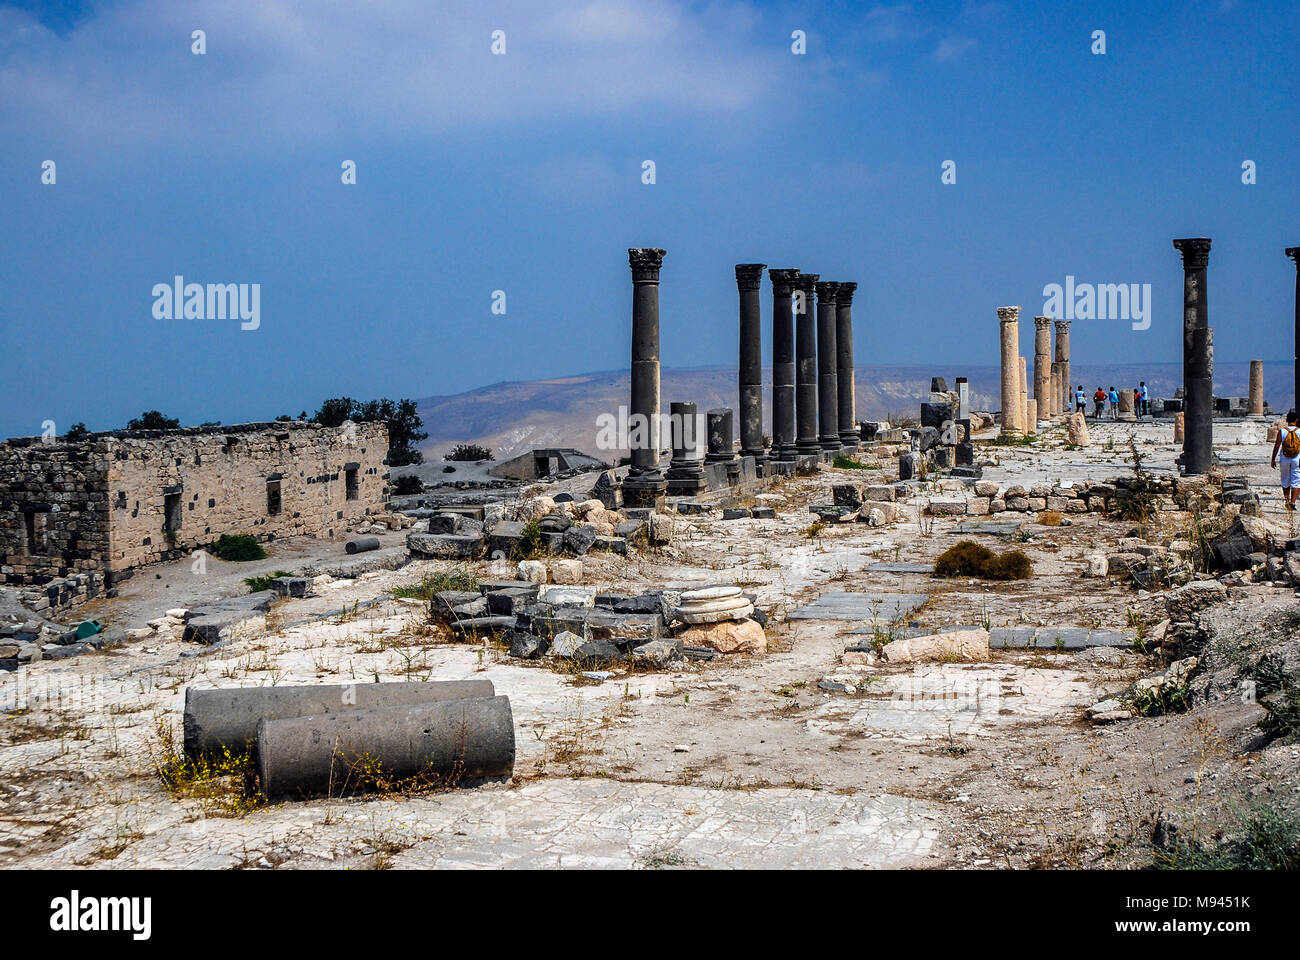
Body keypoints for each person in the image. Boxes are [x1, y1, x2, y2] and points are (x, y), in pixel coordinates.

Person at [1271, 409, 1300, 511]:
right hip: (1297, 458)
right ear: (1296, 420)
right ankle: (1293, 502)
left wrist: (1273, 459)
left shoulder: (1282, 431)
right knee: (1296, 480)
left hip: (1285, 458)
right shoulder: (1299, 431)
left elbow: (1277, 445)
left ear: (1287, 420)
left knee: (1285, 479)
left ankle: (1287, 501)